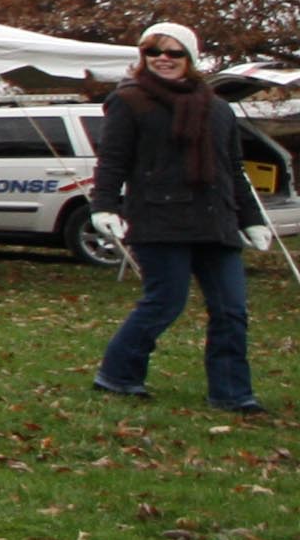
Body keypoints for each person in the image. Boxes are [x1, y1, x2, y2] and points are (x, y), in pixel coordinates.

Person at [91, 21, 268, 414]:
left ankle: (232, 393)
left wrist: (251, 218)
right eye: (153, 52)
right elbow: (114, 159)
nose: (163, 59)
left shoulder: (218, 108)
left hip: (215, 220)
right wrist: (104, 205)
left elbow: (233, 168)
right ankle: (118, 375)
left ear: (191, 58)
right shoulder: (130, 100)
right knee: (165, 302)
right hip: (160, 219)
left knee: (231, 309)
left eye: (174, 52)